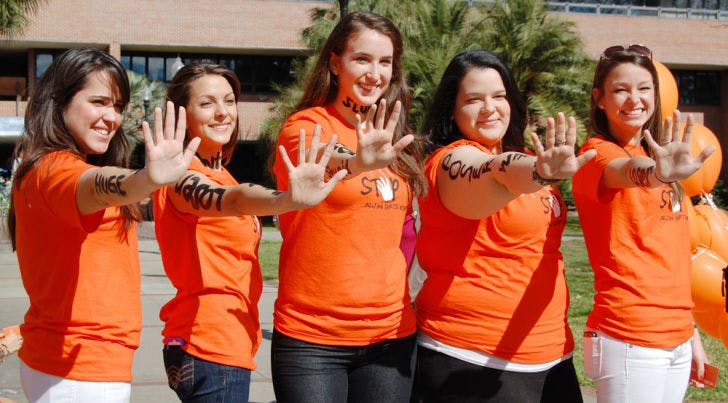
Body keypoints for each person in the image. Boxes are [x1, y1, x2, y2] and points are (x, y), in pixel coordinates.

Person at [8, 47, 199, 402]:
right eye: (98, 101)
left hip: (79, 365)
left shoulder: (49, 166)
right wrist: (145, 179)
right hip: (78, 370)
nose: (111, 117)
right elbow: (93, 185)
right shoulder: (54, 169)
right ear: (59, 101)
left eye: (118, 106)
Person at [411, 49, 596, 402]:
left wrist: (539, 170)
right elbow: (494, 173)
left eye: (499, 96)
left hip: (552, 354)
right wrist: (537, 172)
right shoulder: (448, 160)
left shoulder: (528, 154)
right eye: (474, 99)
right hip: (469, 358)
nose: (490, 108)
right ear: (452, 108)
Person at [154, 63, 346, 402]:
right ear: (182, 114)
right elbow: (235, 199)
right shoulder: (181, 177)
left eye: (229, 101)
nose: (223, 113)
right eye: (207, 103)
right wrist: (286, 199)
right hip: (209, 343)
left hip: (223, 341)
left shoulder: (221, 172)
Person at [270, 11, 428, 403]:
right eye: (362, 59)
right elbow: (326, 155)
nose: (375, 73)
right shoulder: (304, 126)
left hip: (391, 336)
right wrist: (357, 161)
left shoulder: (394, 142)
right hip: (312, 340)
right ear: (335, 62)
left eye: (385, 62)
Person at [572, 44, 714, 402]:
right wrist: (656, 173)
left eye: (644, 88)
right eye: (620, 89)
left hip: (677, 337)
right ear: (599, 99)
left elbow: (668, 260)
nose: (634, 99)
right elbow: (627, 172)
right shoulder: (596, 154)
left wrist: (690, 334)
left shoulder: (659, 158)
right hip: (629, 337)